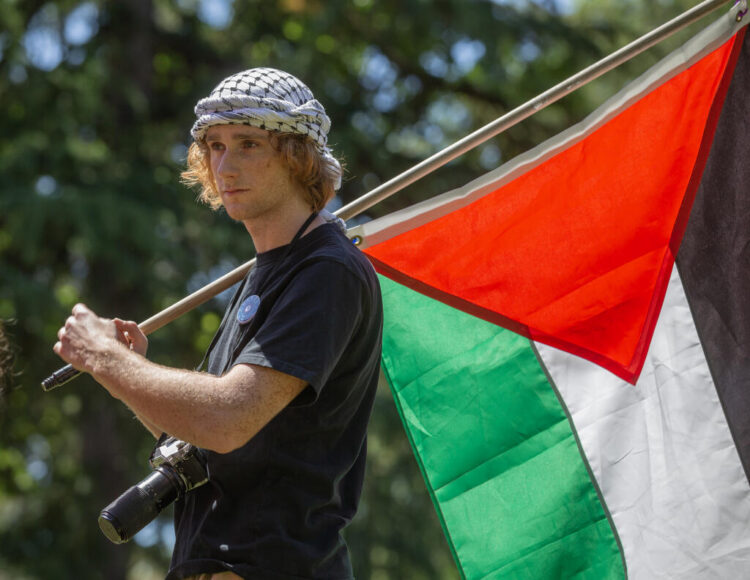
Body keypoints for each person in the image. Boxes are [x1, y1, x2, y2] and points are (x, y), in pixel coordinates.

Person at [54, 68, 383, 580]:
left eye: (248, 143)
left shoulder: (326, 270)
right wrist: (127, 373)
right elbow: (217, 442)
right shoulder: (268, 270)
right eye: (214, 146)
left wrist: (107, 358)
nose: (225, 165)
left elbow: (228, 419)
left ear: (298, 157)